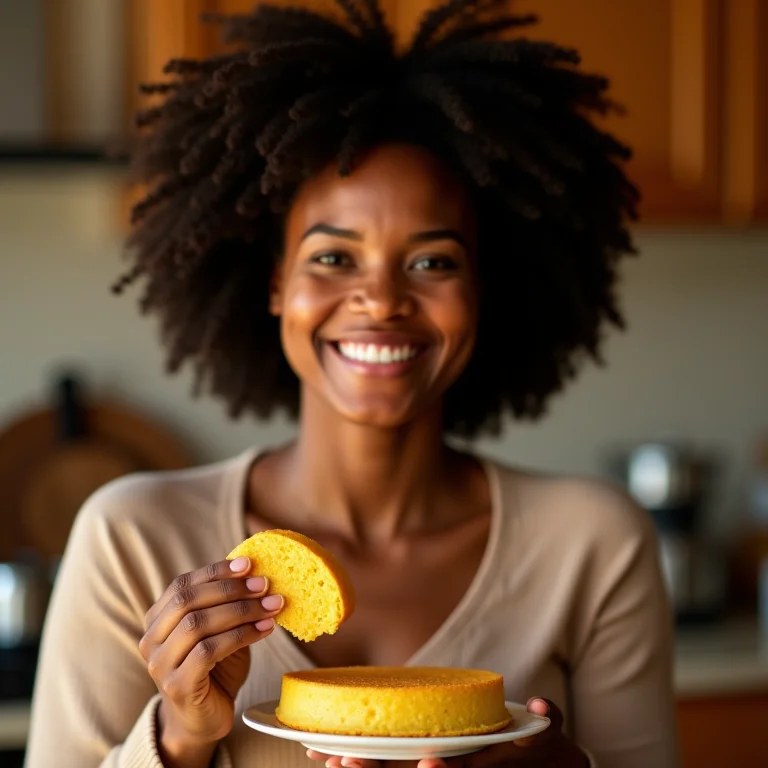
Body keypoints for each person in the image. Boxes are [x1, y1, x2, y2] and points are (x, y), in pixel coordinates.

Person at [24, 1, 679, 767]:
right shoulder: (132, 538)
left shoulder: (594, 544)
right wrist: (179, 736)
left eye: (433, 261)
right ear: (276, 284)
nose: (382, 300)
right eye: (334, 258)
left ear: (484, 290)